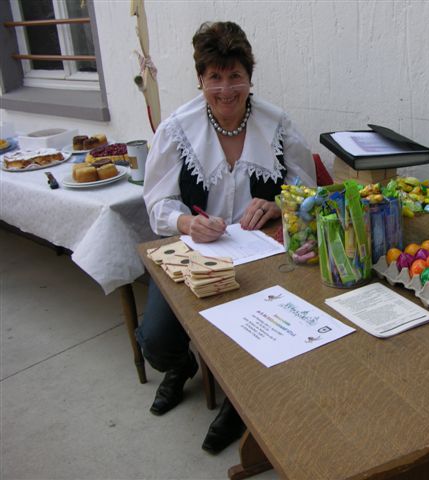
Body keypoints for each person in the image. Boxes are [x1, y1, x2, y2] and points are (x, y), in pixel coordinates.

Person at [136, 21, 316, 454]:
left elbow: (307, 190)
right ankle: (180, 366)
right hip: (194, 252)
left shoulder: (277, 124)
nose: (225, 89)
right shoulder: (177, 129)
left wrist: (279, 205)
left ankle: (240, 402)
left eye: (235, 75)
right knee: (155, 340)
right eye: (214, 76)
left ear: (249, 77)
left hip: (261, 254)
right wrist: (186, 223)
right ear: (200, 79)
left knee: (263, 330)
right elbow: (157, 201)